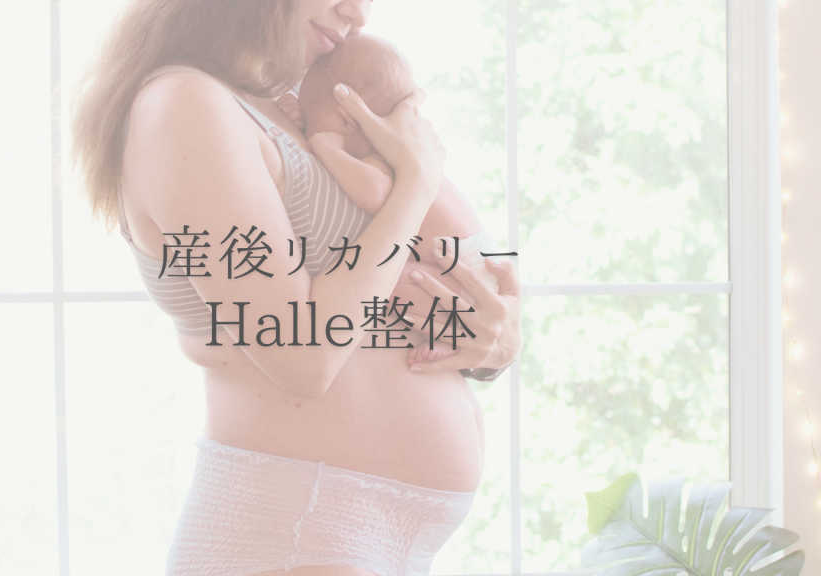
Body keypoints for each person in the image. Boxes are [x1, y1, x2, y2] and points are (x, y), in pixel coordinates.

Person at [71, 1, 522, 574]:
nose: (356, 12)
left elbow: (431, 270)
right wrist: (414, 183)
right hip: (292, 534)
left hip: (351, 540)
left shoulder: (300, 108)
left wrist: (492, 344)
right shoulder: (183, 103)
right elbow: (302, 355)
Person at [298, 32, 503, 364]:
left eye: (311, 124)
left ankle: (452, 339)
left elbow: (374, 194)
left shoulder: (386, 161)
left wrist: (325, 147)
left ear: (345, 119)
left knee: (393, 277)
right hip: (469, 266)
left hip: (468, 275)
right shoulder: (409, 152)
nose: (309, 133)